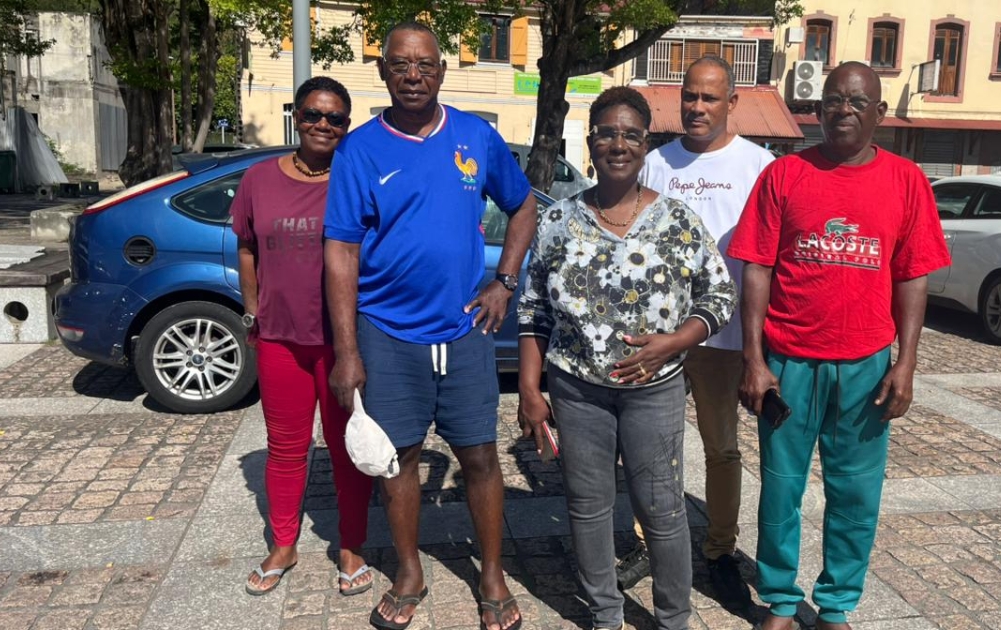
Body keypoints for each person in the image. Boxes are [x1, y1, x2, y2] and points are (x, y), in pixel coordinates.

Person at [322, 22, 535, 630]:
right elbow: (340, 250)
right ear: (383, 73)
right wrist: (347, 351)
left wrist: (506, 280)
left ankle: (491, 575)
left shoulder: (475, 136)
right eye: (399, 65)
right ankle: (409, 571)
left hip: (465, 332)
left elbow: (522, 205)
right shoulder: (360, 150)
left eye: (424, 65)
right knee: (401, 461)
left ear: (442, 71)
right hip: (386, 333)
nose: (412, 75)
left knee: (480, 458)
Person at [726, 62, 951, 630]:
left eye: (857, 101)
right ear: (817, 109)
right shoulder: (784, 175)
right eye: (833, 100)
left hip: (866, 366)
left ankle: (835, 605)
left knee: (855, 495)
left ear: (878, 112)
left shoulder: (906, 180)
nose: (843, 109)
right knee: (781, 490)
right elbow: (757, 268)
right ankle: (779, 599)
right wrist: (754, 360)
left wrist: (906, 363)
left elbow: (912, 276)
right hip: (790, 361)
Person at [517, 86, 737, 630]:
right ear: (591, 143)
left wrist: (675, 341)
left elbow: (720, 296)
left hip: (655, 390)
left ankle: (672, 618)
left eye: (631, 134)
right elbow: (532, 309)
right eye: (607, 133)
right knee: (588, 508)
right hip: (577, 389)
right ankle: (605, 615)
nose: (619, 143)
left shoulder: (678, 222)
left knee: (661, 511)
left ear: (645, 144)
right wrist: (529, 389)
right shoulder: (559, 220)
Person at [617, 54, 774, 609]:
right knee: (648, 446)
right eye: (690, 96)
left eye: (710, 98)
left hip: (723, 336)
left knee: (721, 447)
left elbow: (769, 258)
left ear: (733, 103)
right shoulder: (657, 163)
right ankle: (646, 543)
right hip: (657, 337)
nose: (697, 107)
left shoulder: (759, 165)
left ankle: (718, 548)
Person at [233, 76, 375, 597]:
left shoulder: (355, 177)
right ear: (297, 116)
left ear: (347, 124)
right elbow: (246, 247)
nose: (323, 125)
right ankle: (284, 543)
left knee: (346, 448)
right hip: (280, 339)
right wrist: (252, 310)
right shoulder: (258, 178)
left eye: (335, 118)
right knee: (286, 448)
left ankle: (351, 545)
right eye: (313, 114)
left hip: (343, 342)